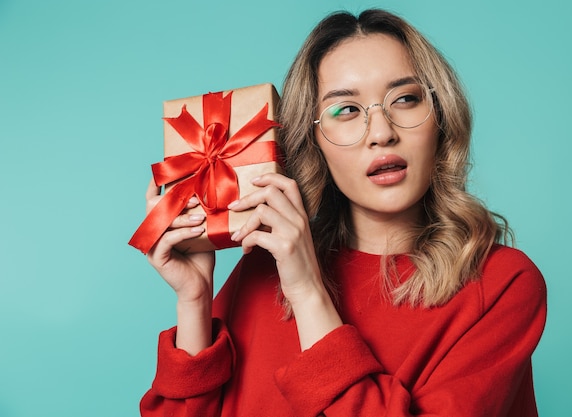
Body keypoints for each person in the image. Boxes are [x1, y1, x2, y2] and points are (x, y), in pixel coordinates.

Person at [139, 8, 547, 417]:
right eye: (346, 110)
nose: (382, 132)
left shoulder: (500, 284)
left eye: (405, 99)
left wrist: (307, 292)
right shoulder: (264, 265)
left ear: (440, 117)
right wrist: (194, 301)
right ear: (314, 140)